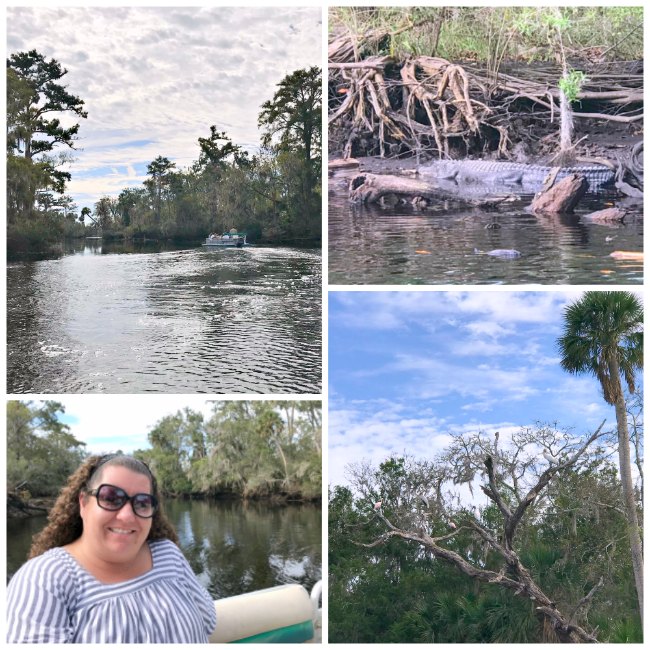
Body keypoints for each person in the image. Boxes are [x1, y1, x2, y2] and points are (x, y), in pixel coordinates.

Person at [7, 454, 217, 643]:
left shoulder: (168, 555)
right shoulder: (44, 580)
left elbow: (208, 618)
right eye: (110, 498)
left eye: (142, 502)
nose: (127, 516)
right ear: (83, 502)